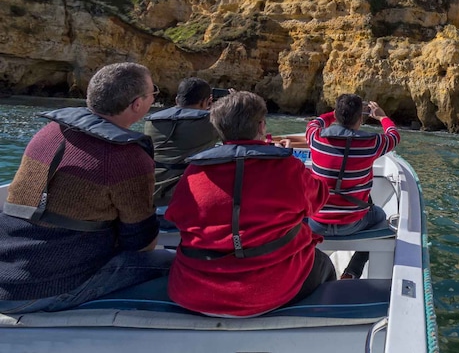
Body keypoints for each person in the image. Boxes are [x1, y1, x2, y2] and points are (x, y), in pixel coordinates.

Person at [0, 62, 173, 314]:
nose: (154, 97)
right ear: (137, 104)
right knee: (174, 265)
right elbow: (140, 242)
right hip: (40, 290)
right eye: (152, 92)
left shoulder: (50, 132)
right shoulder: (128, 157)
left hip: (7, 274)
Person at [165, 91, 335, 317]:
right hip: (272, 289)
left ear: (218, 128)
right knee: (323, 264)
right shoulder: (286, 168)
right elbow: (318, 199)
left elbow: (176, 216)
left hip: (195, 290)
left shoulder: (195, 171)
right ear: (262, 126)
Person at [306, 94, 400, 279]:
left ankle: (305, 266)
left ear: (338, 116)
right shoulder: (371, 144)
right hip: (352, 224)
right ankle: (352, 271)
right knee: (381, 217)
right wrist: (381, 116)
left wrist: (335, 113)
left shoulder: (315, 138)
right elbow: (394, 135)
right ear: (360, 118)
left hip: (316, 223)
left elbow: (316, 122)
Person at [144, 77, 219, 207]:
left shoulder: (151, 122)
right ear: (206, 102)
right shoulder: (210, 123)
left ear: (177, 100)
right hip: (187, 197)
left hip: (152, 193)